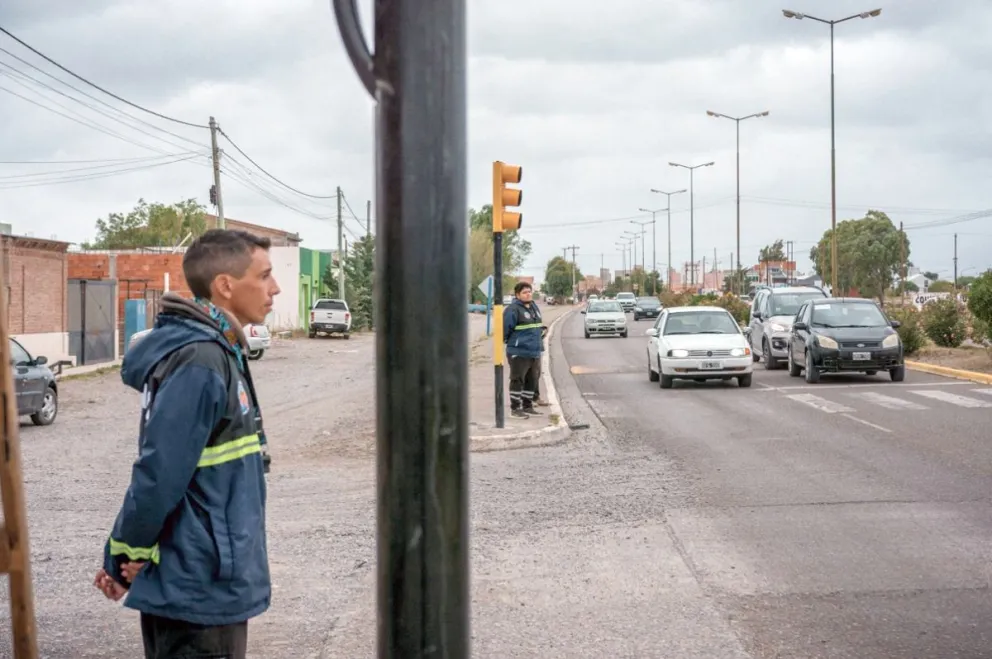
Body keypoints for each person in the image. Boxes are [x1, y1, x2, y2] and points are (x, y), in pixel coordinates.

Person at [94, 229, 280, 659]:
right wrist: (122, 556)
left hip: (208, 579)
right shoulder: (201, 359)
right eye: (265, 275)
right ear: (225, 286)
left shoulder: (219, 349)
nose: (276, 287)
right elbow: (159, 474)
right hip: (199, 590)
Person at [504, 281, 544, 418]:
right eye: (524, 292)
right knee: (517, 380)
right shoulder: (513, 309)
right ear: (517, 295)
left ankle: (528, 406)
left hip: (534, 351)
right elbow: (506, 330)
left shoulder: (534, 307)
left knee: (532, 379)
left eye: (529, 291)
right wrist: (514, 343)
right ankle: (515, 408)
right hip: (518, 351)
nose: (528, 294)